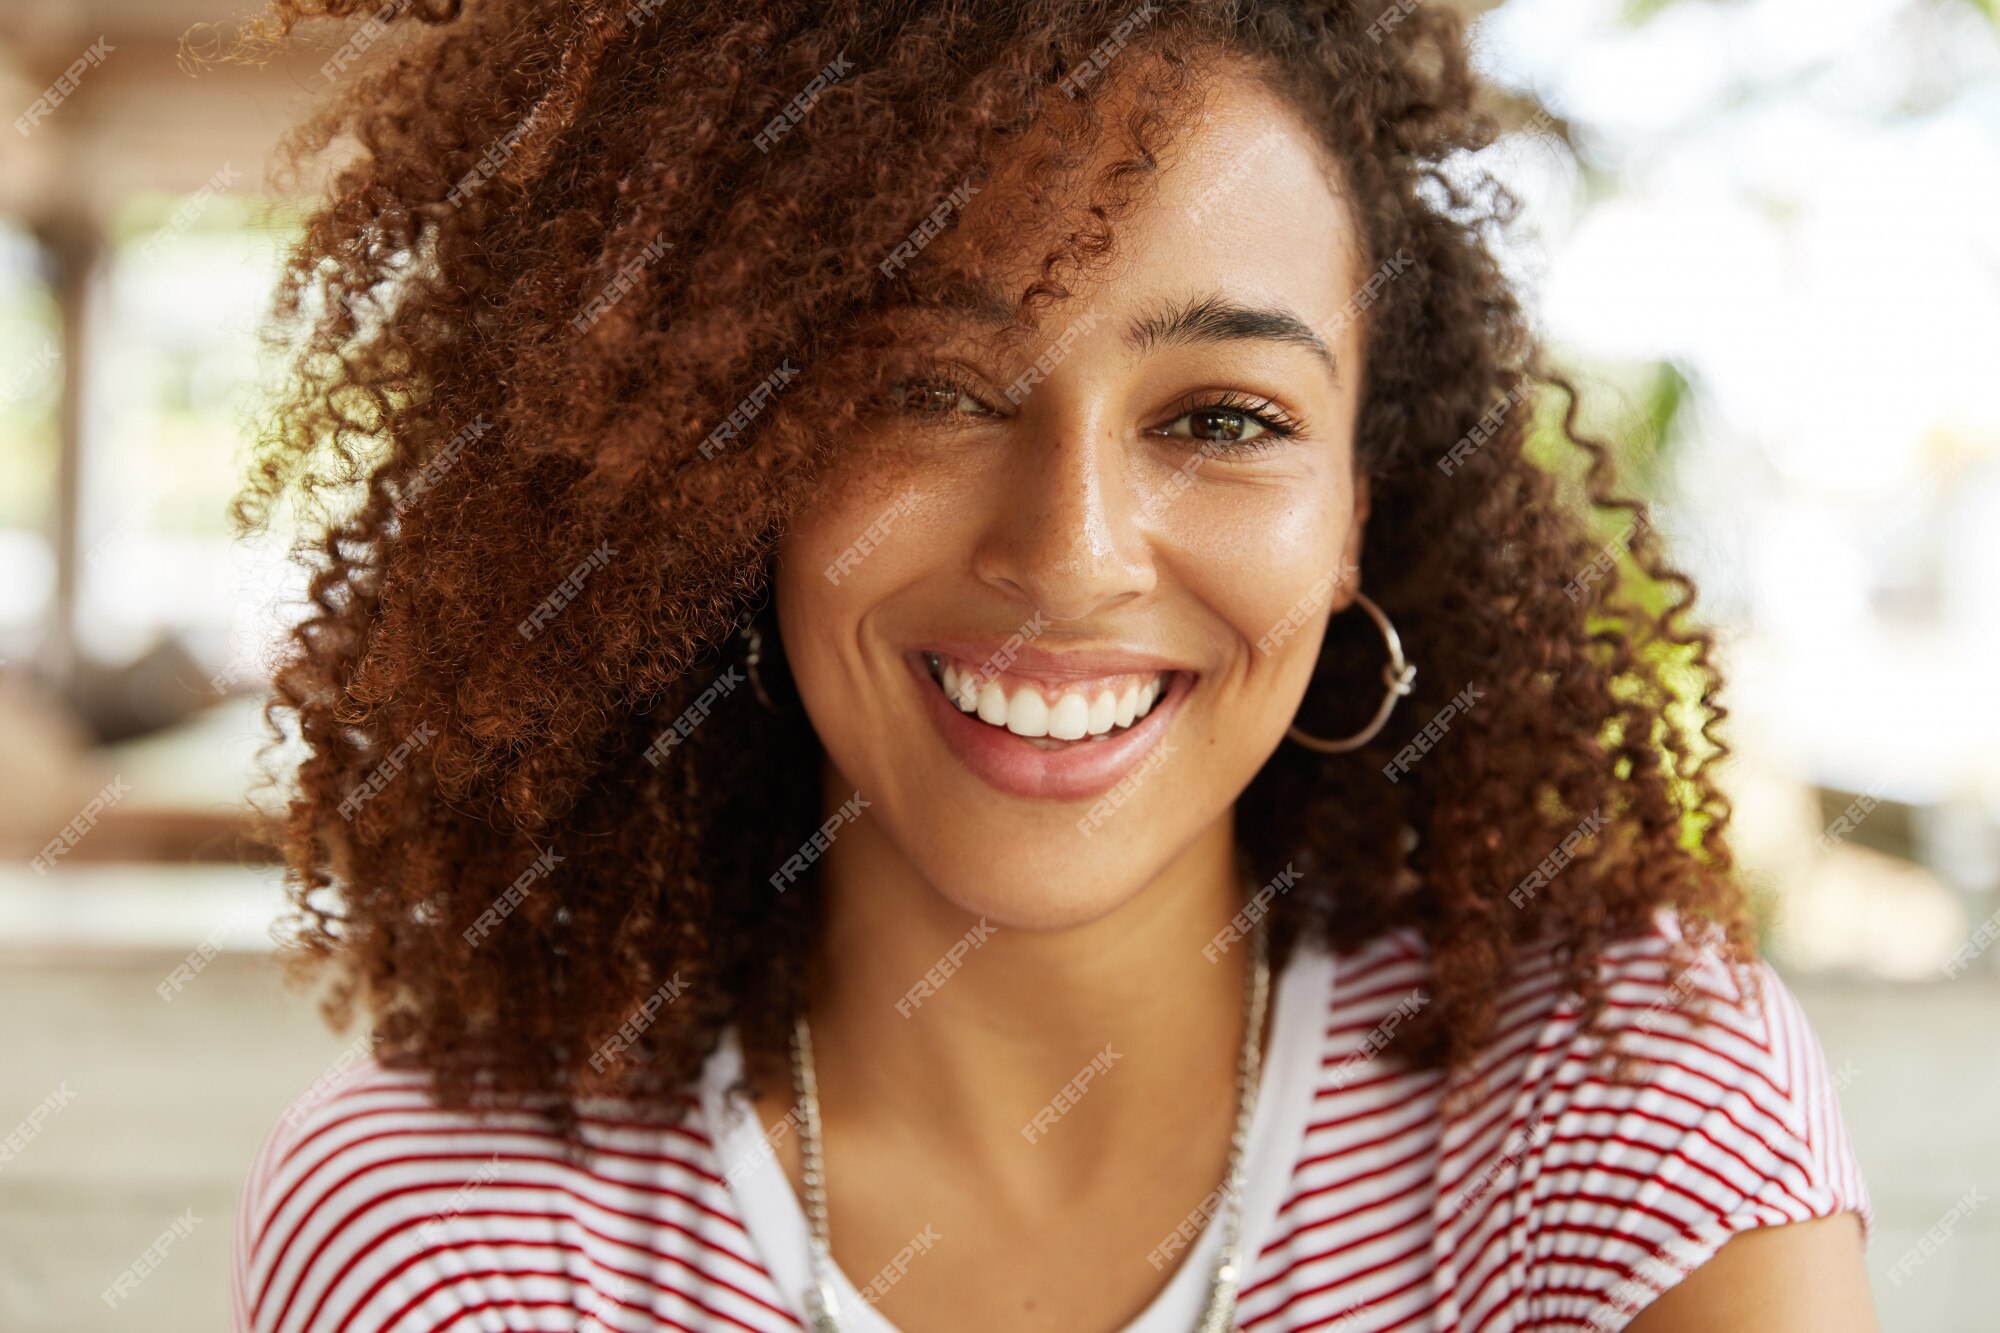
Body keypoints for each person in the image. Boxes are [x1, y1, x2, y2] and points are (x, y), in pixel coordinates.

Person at [226, 1, 1875, 1329]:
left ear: (1356, 512)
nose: (1072, 550)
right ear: (737, 464)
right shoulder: (450, 1228)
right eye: (930, 388)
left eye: (1225, 418)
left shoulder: (1625, 1107)